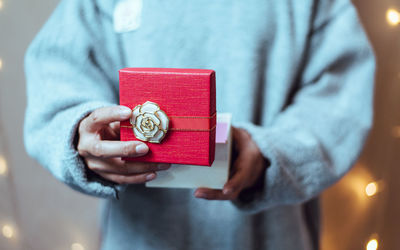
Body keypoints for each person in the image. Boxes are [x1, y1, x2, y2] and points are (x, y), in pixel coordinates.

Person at [24, 0, 375, 249]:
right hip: (140, 238)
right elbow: (57, 75)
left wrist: (269, 155)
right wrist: (81, 132)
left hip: (269, 236)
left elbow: (338, 99)